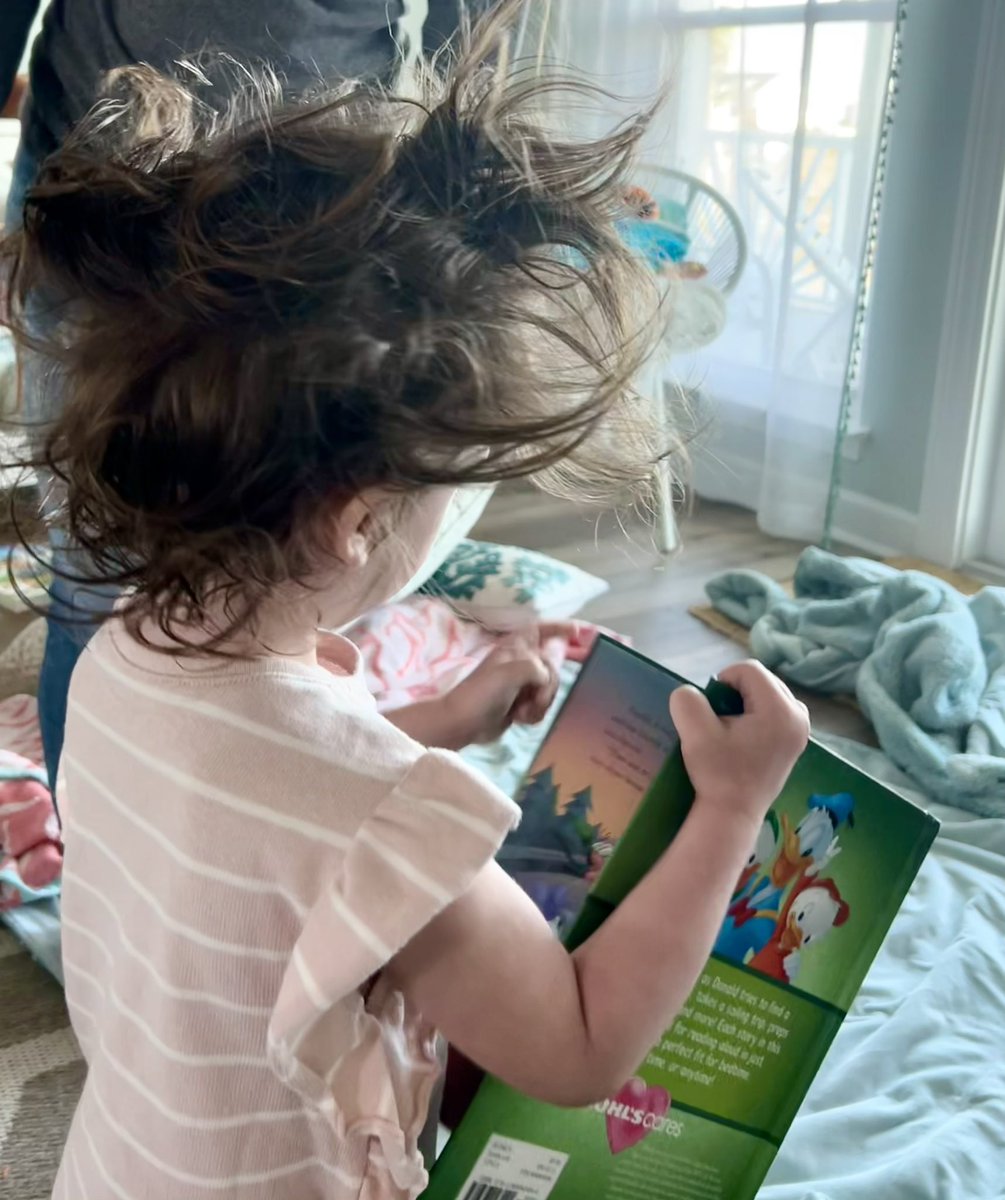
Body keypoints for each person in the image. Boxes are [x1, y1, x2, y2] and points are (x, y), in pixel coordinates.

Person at [3, 5, 810, 1196]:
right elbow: (577, 1043)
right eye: (454, 490)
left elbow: (250, 794)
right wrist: (733, 808)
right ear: (359, 514)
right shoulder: (383, 813)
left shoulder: (124, 654)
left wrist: (439, 727)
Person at [2, 0, 488, 788]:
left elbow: (471, 35)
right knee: (97, 578)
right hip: (99, 197)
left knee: (263, 602)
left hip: (311, 216)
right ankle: (99, 844)